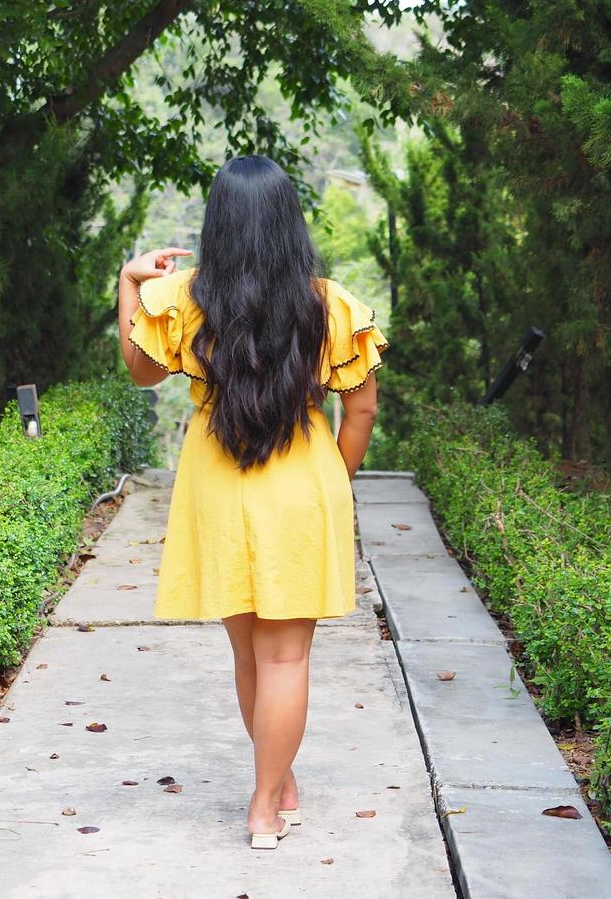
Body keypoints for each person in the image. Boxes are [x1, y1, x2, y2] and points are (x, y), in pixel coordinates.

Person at [115, 155, 387, 851]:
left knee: (248, 658)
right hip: (301, 487)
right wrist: (335, 481)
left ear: (220, 225)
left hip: (218, 488)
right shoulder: (330, 304)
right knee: (287, 660)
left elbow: (142, 370)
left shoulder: (183, 297)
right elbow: (360, 411)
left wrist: (127, 283)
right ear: (290, 223)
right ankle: (268, 803)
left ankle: (275, 785)